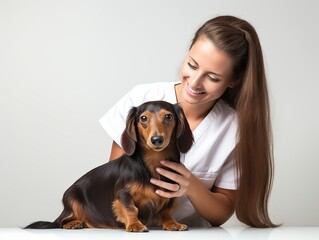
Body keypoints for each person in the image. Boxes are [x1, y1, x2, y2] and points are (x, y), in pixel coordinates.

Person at [99, 15, 277, 228]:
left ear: (234, 80)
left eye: (212, 77)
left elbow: (220, 215)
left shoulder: (234, 129)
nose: (194, 82)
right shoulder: (140, 98)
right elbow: (113, 185)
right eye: (192, 65)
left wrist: (192, 186)